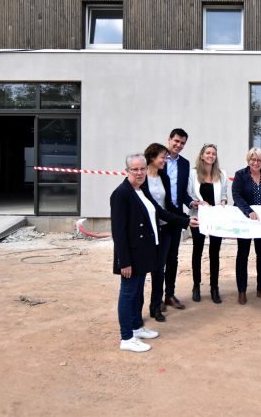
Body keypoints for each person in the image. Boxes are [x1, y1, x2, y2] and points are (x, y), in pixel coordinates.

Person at [110, 153, 197, 353]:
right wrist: (124, 262)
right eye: (135, 169)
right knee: (128, 294)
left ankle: (135, 327)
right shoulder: (121, 194)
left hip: (144, 252)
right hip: (131, 255)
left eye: (142, 169)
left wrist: (186, 221)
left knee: (137, 292)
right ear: (127, 171)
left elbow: (161, 212)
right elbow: (119, 233)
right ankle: (126, 338)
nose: (140, 173)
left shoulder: (141, 190)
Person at [141, 143, 182, 323]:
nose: (165, 161)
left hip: (165, 228)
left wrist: (184, 215)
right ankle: (137, 311)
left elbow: (168, 205)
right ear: (152, 158)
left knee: (160, 270)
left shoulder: (163, 177)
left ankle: (155, 307)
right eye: (162, 158)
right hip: (148, 230)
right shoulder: (142, 179)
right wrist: (185, 221)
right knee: (146, 270)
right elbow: (156, 208)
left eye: (166, 158)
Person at [231, 147, 261, 305]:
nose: (255, 163)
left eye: (259, 160)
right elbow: (236, 195)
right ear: (248, 160)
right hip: (245, 220)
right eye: (253, 159)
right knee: (243, 255)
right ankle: (241, 290)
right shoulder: (240, 175)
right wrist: (249, 211)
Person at [188, 143, 228, 304]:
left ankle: (214, 287)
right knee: (197, 251)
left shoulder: (222, 174)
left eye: (213, 153)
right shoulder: (192, 174)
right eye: (208, 153)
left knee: (214, 253)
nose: (211, 156)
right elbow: (188, 194)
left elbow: (224, 194)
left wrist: (224, 201)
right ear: (202, 155)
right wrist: (196, 203)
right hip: (198, 217)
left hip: (215, 218)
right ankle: (196, 286)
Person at [163, 128, 195, 312]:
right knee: (159, 259)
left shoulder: (185, 164)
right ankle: (157, 297)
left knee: (173, 258)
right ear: (169, 139)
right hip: (160, 216)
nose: (178, 145)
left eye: (182, 143)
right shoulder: (158, 159)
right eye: (176, 141)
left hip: (176, 217)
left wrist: (191, 202)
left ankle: (170, 294)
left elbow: (182, 192)